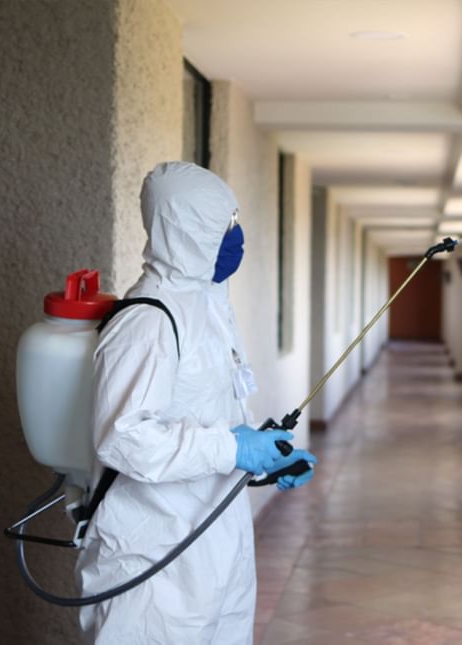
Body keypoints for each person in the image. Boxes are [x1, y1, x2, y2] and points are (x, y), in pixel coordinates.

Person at [76, 161, 316, 644]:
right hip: (152, 558)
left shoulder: (208, 308)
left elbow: (210, 421)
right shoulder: (148, 322)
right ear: (186, 230)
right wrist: (234, 450)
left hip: (214, 545)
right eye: (223, 225)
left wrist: (264, 457)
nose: (236, 235)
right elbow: (125, 439)